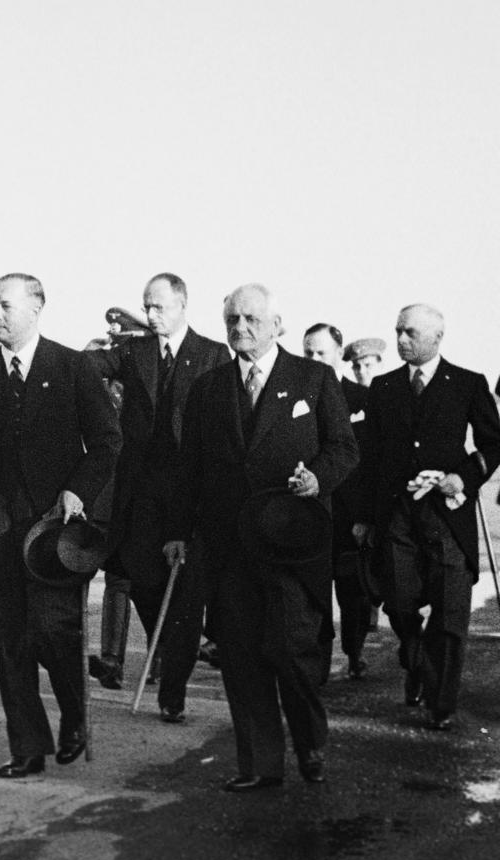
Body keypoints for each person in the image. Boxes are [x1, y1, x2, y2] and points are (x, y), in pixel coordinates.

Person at [166, 284, 358, 790]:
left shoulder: (313, 379)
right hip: (229, 548)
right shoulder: (209, 388)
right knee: (242, 656)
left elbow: (344, 448)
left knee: (292, 650)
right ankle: (261, 764)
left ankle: (310, 742)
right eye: (232, 320)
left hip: (294, 545)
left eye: (251, 319)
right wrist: (178, 532)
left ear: (277, 323)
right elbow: (189, 471)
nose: (240, 329)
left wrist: (318, 479)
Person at [0, 274, 122, 778]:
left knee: (53, 629)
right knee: (10, 636)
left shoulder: (72, 367)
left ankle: (75, 714)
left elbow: (108, 441)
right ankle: (26, 745)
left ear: (37, 307)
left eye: (4, 306)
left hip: (53, 532)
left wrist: (78, 490)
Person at [86, 273, 229, 721]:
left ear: (183, 304)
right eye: (146, 307)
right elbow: (88, 366)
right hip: (143, 491)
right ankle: (165, 646)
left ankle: (173, 693)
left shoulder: (212, 355)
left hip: (191, 490)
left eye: (158, 308)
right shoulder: (134, 350)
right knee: (140, 577)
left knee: (185, 594)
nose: (150, 316)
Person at [355, 305, 500, 732]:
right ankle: (416, 658)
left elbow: (494, 444)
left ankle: (441, 703)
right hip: (399, 515)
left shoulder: (469, 384)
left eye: (410, 333)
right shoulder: (384, 387)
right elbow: (372, 459)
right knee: (399, 601)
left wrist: (465, 477)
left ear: (437, 337)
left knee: (452, 613)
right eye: (398, 331)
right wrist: (365, 516)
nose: (400, 340)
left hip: (448, 518)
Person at [305, 325, 371, 681]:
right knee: (315, 590)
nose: (314, 360)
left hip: (349, 514)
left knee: (351, 590)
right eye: (308, 354)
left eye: (321, 353)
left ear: (337, 352)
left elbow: (369, 462)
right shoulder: (298, 396)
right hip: (313, 510)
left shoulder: (361, 399)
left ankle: (355, 650)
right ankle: (318, 662)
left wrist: (365, 516)